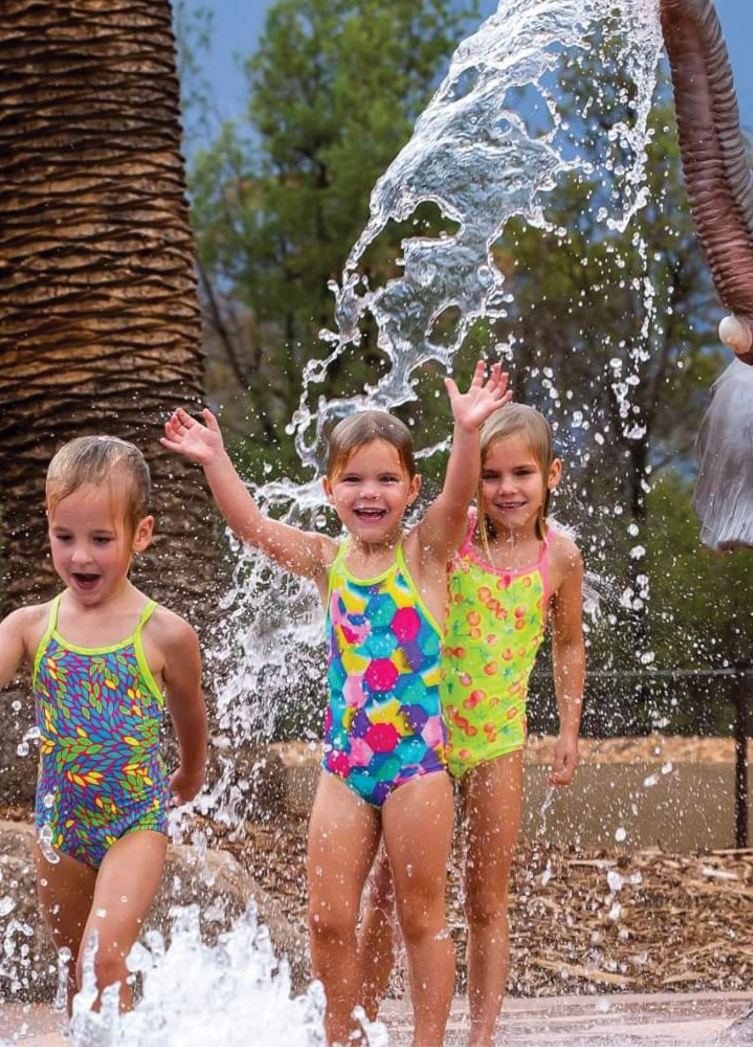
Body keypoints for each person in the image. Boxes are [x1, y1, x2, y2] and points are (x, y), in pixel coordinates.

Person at [161, 362, 511, 1047]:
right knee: (326, 918)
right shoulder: (328, 560)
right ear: (330, 490)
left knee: (420, 918)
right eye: (353, 479)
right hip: (346, 771)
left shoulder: (428, 553)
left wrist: (467, 431)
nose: (369, 492)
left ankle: (429, 1042)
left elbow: (459, 492)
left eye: (386, 479)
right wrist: (215, 460)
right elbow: (253, 528)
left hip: (416, 771)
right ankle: (341, 1038)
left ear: (411, 488)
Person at [0, 436, 208, 1014]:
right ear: (48, 525)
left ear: (141, 534)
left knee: (103, 957)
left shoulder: (165, 633)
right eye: (64, 537)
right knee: (78, 973)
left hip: (136, 820)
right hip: (60, 825)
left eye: (101, 540)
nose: (80, 557)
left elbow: (190, 714)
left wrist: (192, 772)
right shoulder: (30, 626)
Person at [358, 402, 585, 1047]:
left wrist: (568, 729)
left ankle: (480, 1037)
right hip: (419, 738)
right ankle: (364, 1022)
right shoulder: (453, 541)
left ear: (552, 475)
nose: (507, 489)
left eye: (522, 473)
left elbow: (568, 645)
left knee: (487, 900)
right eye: (491, 475)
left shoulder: (560, 559)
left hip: (496, 742)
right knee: (388, 890)